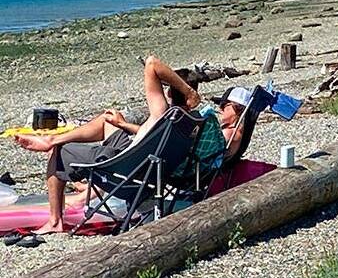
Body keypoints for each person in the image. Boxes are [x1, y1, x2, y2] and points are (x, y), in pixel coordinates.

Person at [14, 56, 201, 234]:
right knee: (107, 120)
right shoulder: (187, 121)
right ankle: (53, 139)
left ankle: (55, 221)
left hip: (123, 169)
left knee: (59, 152)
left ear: (168, 91)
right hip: (144, 166)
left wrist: (189, 92)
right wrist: (123, 125)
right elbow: (151, 137)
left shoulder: (161, 112)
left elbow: (151, 63)